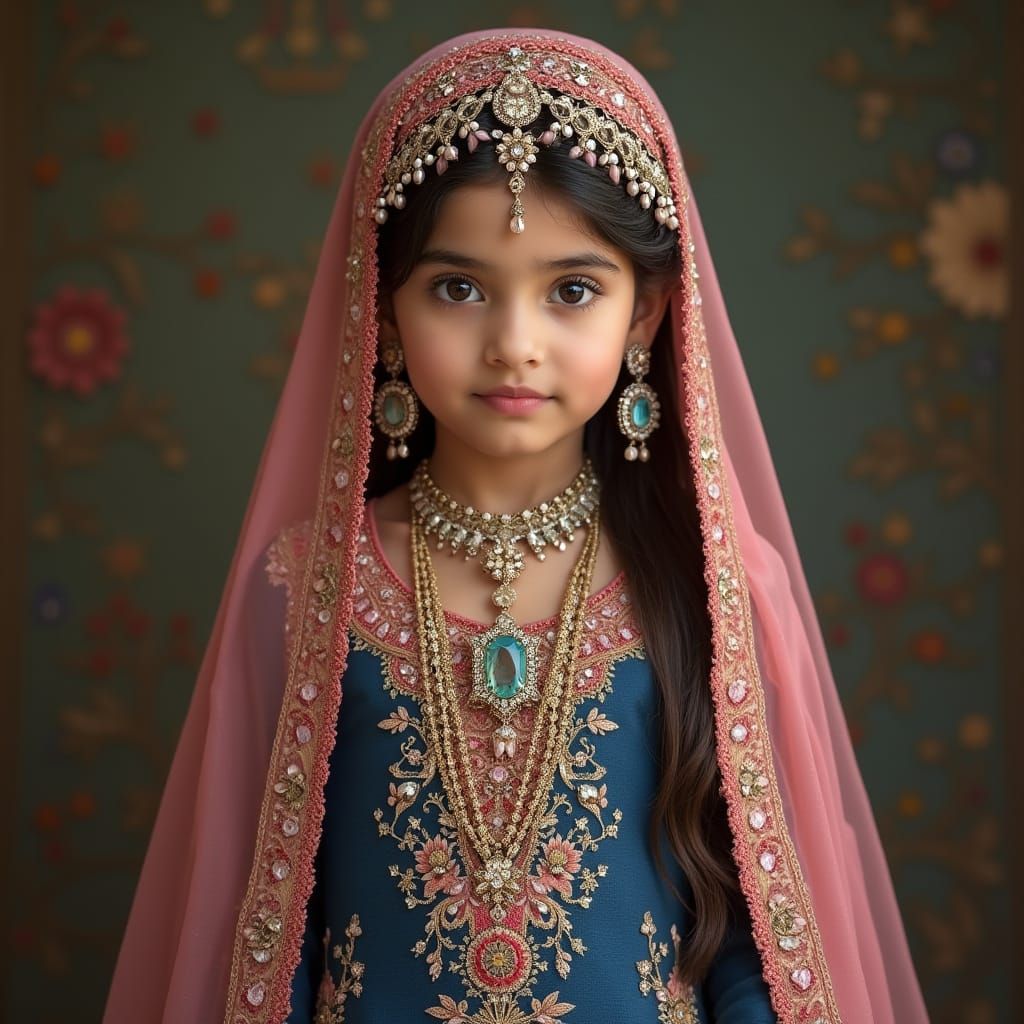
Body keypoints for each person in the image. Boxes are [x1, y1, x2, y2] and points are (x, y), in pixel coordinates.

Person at [102, 29, 930, 1024]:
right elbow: (265, 937)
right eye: (457, 288)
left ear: (646, 315)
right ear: (386, 309)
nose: (514, 345)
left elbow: (757, 940)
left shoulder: (715, 584)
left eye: (572, 290)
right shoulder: (304, 588)